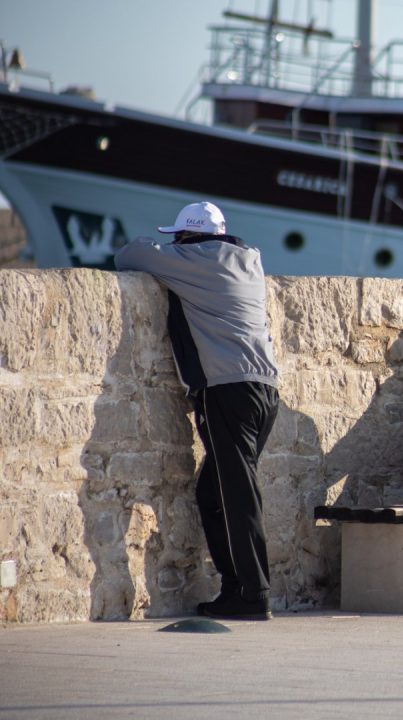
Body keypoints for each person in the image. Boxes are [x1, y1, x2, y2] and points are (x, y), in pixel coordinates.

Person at [114, 201, 279, 620]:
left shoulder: (195, 259)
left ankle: (253, 594)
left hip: (227, 391)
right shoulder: (247, 260)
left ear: (188, 236)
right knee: (214, 492)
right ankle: (235, 586)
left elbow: (130, 254)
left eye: (179, 237)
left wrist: (169, 247)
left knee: (238, 493)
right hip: (265, 392)